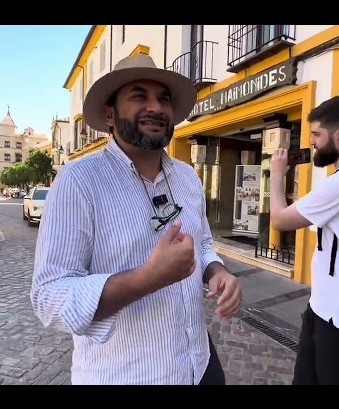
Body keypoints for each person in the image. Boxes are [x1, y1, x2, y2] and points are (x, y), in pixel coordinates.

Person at [30, 54, 242, 385]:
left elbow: (202, 243)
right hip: (126, 375)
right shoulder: (79, 181)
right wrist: (148, 277)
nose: (156, 107)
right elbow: (50, 296)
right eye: (139, 96)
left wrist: (217, 271)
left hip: (199, 365)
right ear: (110, 114)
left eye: (164, 99)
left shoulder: (187, 177)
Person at [269, 94, 339, 385]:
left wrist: (276, 176)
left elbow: (280, 220)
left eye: (317, 135)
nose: (312, 143)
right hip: (327, 312)